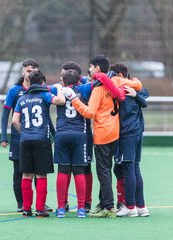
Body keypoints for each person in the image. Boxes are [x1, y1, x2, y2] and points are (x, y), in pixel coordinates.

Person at [62, 54, 142, 218]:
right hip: (114, 132)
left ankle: (108, 207)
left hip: (103, 134)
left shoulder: (98, 89)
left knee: (103, 171)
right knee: (106, 169)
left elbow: (90, 113)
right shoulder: (115, 82)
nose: (89, 70)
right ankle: (103, 202)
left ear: (97, 69)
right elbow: (137, 85)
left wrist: (74, 99)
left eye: (90, 67)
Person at [1, 58, 52, 212]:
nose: (31, 74)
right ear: (23, 71)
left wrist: (54, 133)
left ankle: (39, 203)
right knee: (20, 171)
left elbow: (47, 116)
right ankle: (21, 203)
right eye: (29, 71)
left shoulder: (43, 91)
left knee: (38, 171)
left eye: (34, 71)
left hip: (35, 136)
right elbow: (6, 115)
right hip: (19, 137)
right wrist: (4, 136)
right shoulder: (15, 91)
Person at [12, 70, 65, 217]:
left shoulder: (22, 99)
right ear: (42, 82)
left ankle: (26, 209)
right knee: (41, 175)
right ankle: (40, 209)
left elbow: (15, 120)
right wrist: (60, 89)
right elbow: (61, 101)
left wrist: (23, 132)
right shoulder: (45, 95)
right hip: (42, 139)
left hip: (26, 140)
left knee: (26, 175)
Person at [108, 63, 150, 217]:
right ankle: (141, 206)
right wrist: (135, 94)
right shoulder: (135, 88)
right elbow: (144, 101)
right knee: (135, 168)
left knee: (128, 169)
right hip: (138, 132)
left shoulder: (119, 89)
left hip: (126, 134)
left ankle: (130, 206)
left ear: (119, 76)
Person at [54, 69, 93, 218]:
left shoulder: (58, 89)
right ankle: (81, 208)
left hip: (62, 134)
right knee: (79, 171)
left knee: (63, 171)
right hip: (79, 135)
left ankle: (61, 208)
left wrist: (58, 86)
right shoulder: (83, 88)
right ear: (78, 81)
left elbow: (44, 87)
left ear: (63, 81)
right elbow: (95, 83)